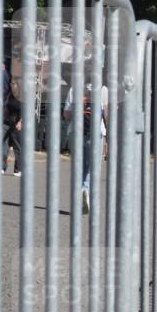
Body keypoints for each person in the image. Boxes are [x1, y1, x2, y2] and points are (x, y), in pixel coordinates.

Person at [64, 81, 109, 214]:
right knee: (93, 167)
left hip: (76, 132)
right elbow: (107, 115)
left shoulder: (74, 88)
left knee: (79, 167)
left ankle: (80, 196)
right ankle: (86, 190)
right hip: (96, 134)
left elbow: (66, 115)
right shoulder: (103, 89)